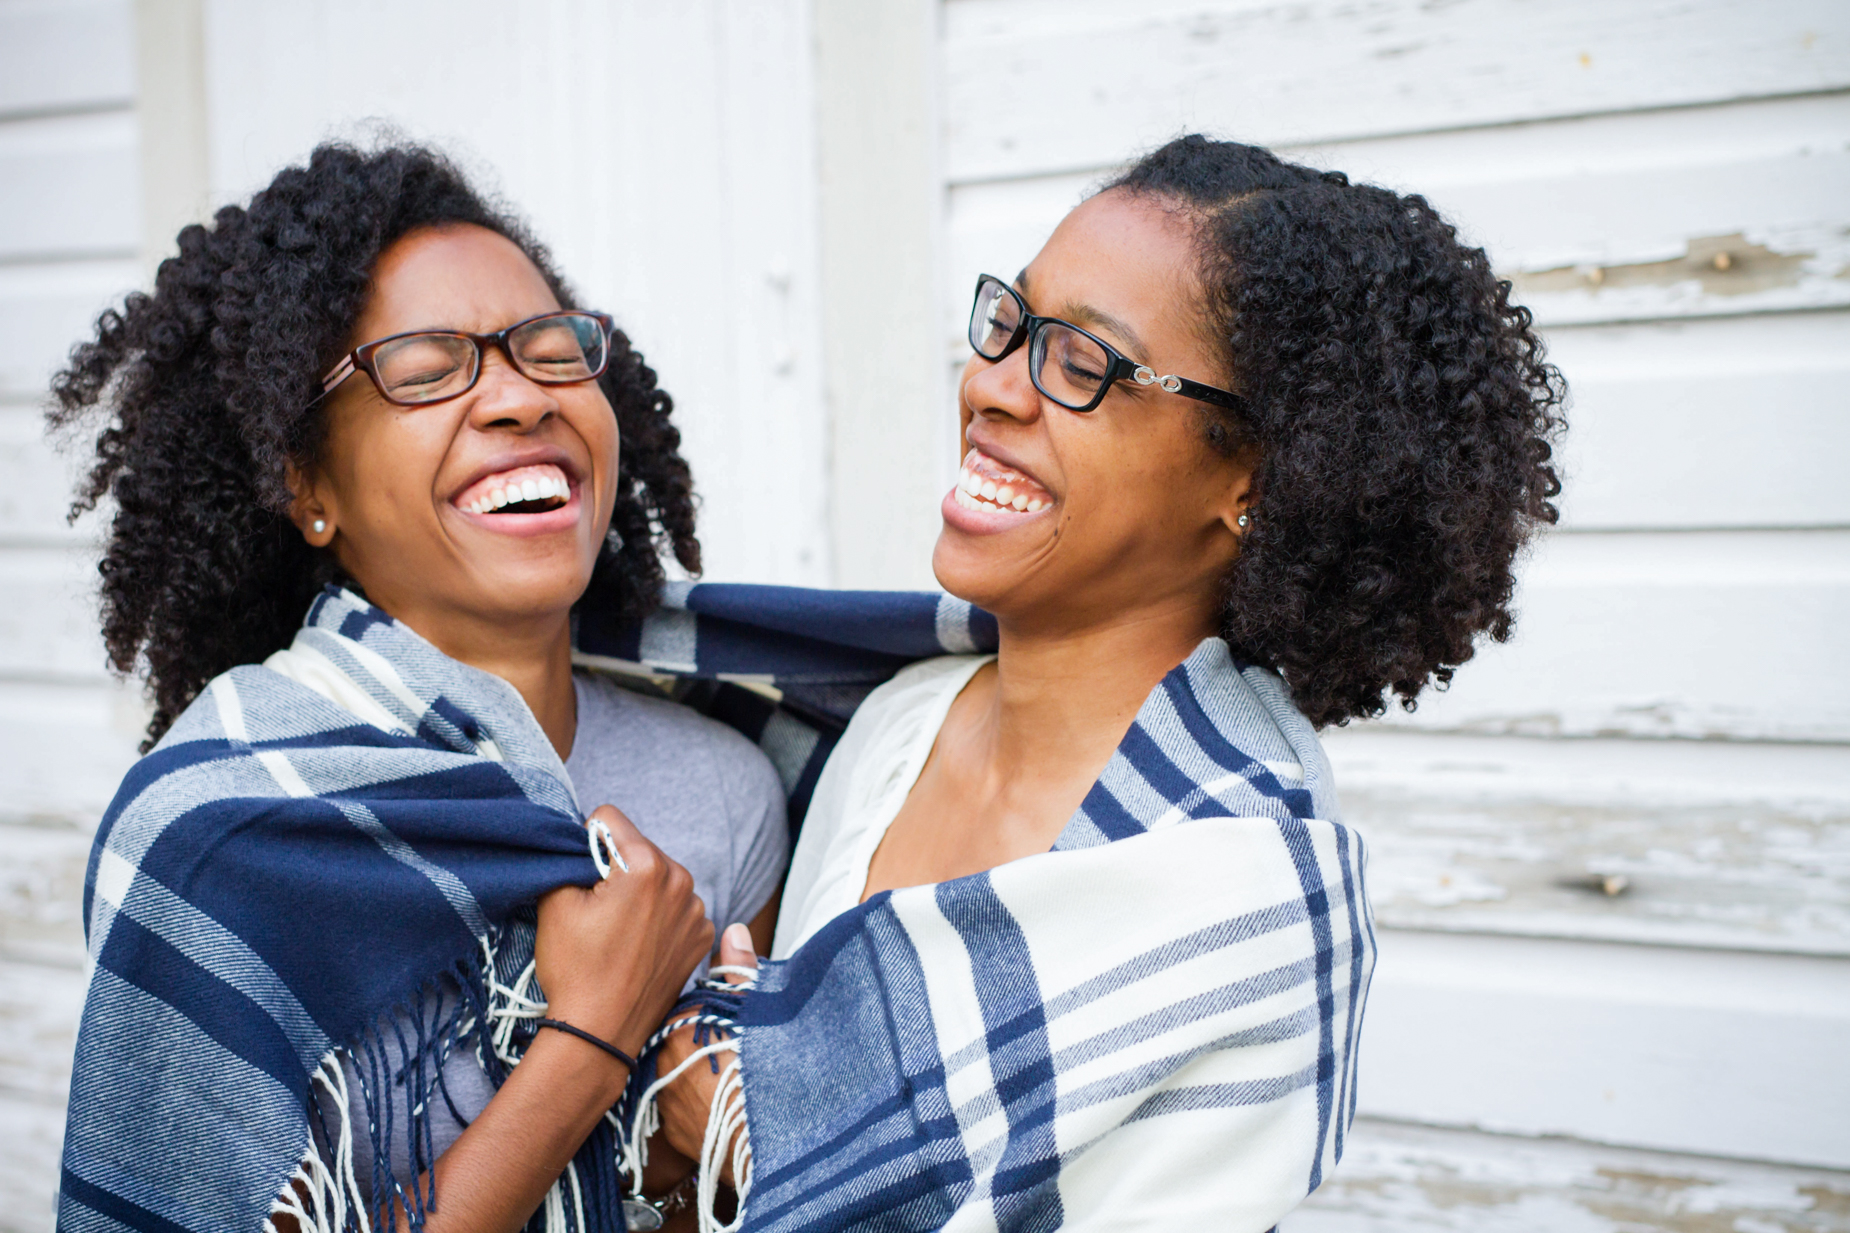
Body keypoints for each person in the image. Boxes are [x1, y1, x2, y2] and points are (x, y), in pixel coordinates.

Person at [638, 136, 1566, 1231]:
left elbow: (734, 1131)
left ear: (1254, 481)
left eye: (1080, 363)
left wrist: (751, 1152)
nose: (990, 388)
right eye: (1008, 324)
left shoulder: (1244, 903)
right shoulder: (893, 726)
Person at [49, 143, 788, 1232]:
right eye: (427, 366)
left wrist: (689, 1153)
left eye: (547, 351)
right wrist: (587, 1042)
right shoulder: (218, 840)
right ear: (307, 484)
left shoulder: (723, 790)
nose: (517, 399)